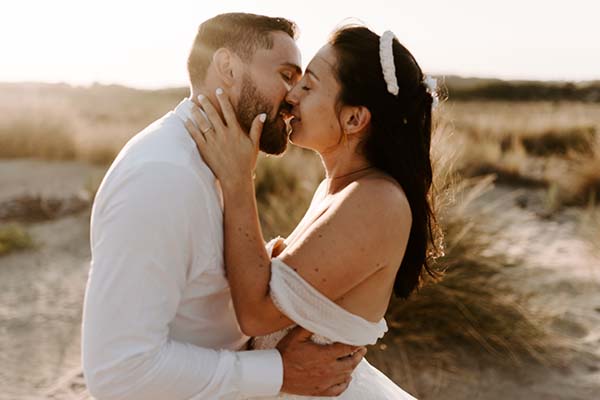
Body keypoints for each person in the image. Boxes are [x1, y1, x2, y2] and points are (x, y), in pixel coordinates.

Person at [81, 13, 365, 400]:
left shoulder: (220, 163)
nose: (294, 98)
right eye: (286, 75)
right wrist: (278, 372)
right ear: (228, 67)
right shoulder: (162, 177)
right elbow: (119, 371)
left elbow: (197, 289)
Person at [185, 25, 441, 399]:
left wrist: (239, 180)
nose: (290, 96)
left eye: (309, 86)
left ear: (354, 119)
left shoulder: (376, 202)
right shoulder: (336, 191)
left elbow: (257, 315)